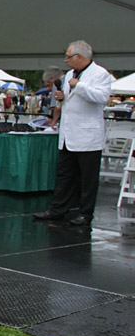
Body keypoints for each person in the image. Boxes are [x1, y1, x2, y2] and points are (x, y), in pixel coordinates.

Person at [34, 40, 115, 227]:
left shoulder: (100, 74)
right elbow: (72, 100)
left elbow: (102, 98)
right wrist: (63, 98)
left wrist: (79, 86)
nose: (66, 60)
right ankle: (57, 209)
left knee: (87, 178)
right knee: (64, 175)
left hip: (88, 135)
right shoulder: (70, 74)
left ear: (79, 57)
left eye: (69, 57)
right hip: (69, 133)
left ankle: (85, 213)